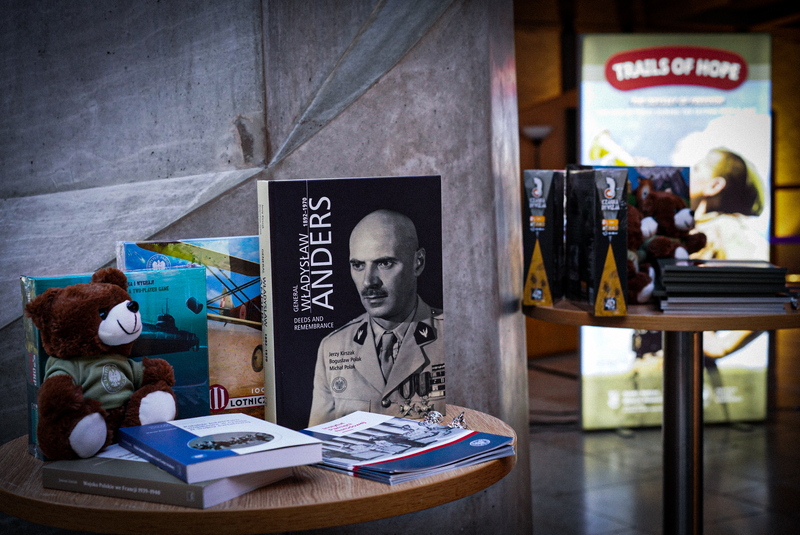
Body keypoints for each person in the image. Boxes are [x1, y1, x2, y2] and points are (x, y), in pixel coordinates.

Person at [308, 209, 445, 426]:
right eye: (358, 265)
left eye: (384, 263)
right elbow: (319, 446)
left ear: (417, 262)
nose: (368, 282)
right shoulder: (332, 347)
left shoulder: (449, 336)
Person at [689, 147, 768, 260]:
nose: (687, 174)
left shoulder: (727, 229)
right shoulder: (693, 225)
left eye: (696, 169)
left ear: (714, 186)